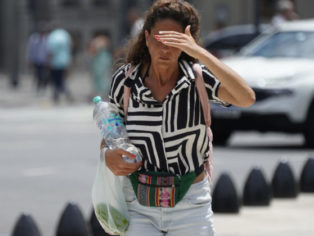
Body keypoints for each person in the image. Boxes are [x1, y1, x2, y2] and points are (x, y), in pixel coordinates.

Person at [99, 1, 255, 235]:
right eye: (160, 39)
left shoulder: (197, 80)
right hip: (138, 204)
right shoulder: (126, 81)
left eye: (175, 41)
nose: (166, 49)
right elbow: (111, 133)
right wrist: (107, 155)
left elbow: (246, 98)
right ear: (147, 37)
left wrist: (200, 53)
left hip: (191, 205)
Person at [47, 27, 74, 104]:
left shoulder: (52, 36)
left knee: (56, 80)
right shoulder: (65, 34)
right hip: (64, 61)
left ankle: (61, 94)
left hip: (55, 62)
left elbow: (50, 51)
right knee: (61, 79)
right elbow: (70, 47)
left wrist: (48, 62)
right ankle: (58, 94)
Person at [88, 33, 112, 99]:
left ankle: (101, 92)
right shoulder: (99, 42)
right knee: (100, 77)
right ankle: (101, 92)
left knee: (101, 77)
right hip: (99, 61)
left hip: (100, 61)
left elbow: (92, 51)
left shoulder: (97, 42)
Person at [27, 23, 49, 94]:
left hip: (44, 60)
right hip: (36, 60)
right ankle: (38, 87)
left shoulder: (47, 39)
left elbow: (49, 50)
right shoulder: (33, 38)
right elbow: (30, 49)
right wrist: (30, 59)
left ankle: (43, 86)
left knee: (44, 75)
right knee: (37, 74)